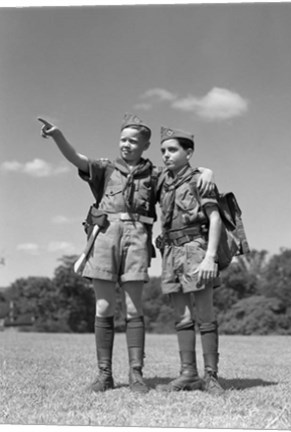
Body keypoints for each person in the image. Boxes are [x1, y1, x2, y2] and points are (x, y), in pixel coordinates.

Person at [37, 114, 213, 394]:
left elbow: (184, 171)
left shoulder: (155, 174)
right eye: (123, 139)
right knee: (104, 307)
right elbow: (76, 158)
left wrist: (207, 172)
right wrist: (58, 135)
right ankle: (104, 375)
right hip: (105, 237)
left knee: (134, 308)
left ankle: (136, 375)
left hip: (137, 238)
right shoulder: (106, 169)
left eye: (133, 141)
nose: (126, 145)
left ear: (145, 146)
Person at [155, 126, 224, 395]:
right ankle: (188, 374)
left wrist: (210, 258)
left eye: (172, 150)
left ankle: (211, 376)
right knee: (181, 315)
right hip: (170, 252)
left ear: (189, 152)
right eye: (163, 150)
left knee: (205, 313)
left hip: (196, 249)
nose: (166, 155)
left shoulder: (200, 180)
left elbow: (215, 218)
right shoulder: (162, 181)